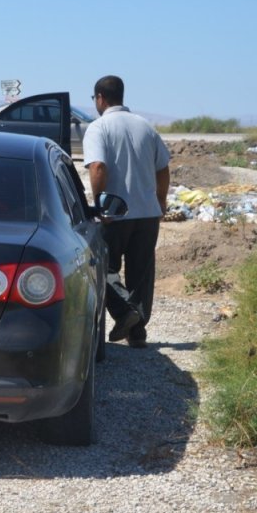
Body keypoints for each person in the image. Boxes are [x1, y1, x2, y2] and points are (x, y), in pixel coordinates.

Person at [83, 75, 170, 349]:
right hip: (146, 214)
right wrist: (161, 201)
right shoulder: (146, 127)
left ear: (100, 97)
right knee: (140, 273)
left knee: (102, 268)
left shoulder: (99, 128)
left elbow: (98, 167)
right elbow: (163, 169)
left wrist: (99, 204)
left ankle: (124, 313)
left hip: (115, 213)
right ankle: (137, 334)